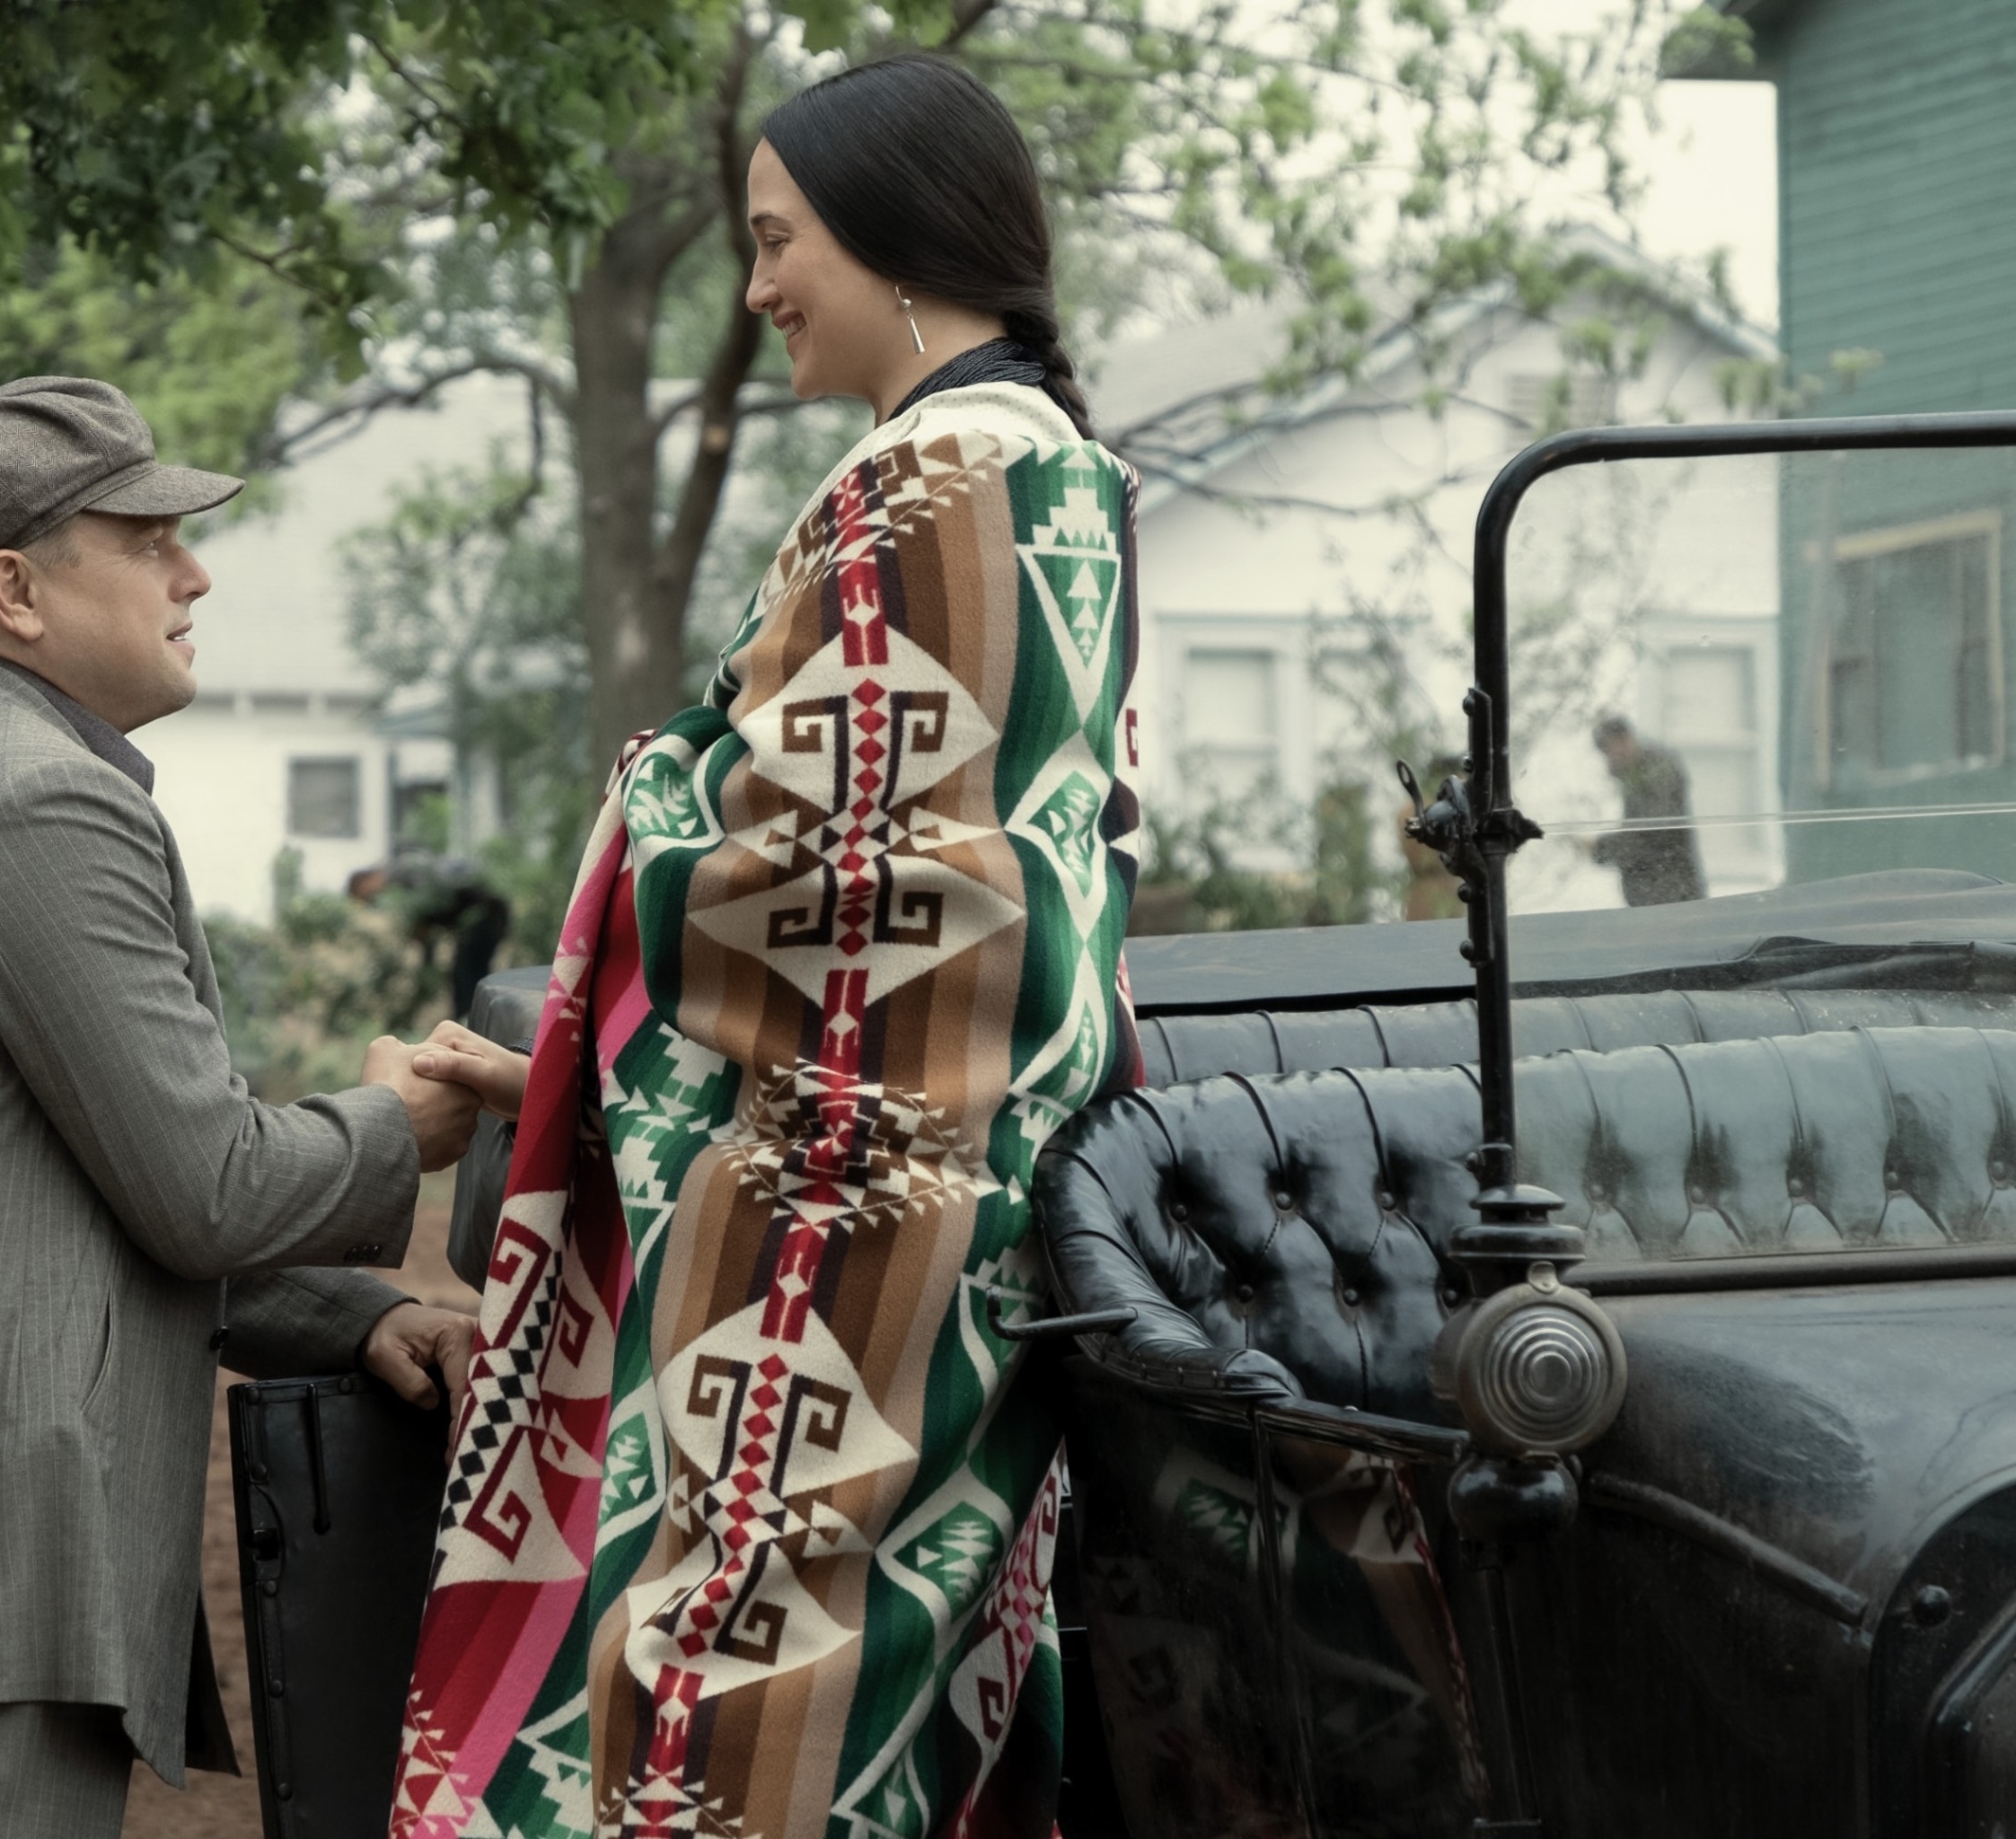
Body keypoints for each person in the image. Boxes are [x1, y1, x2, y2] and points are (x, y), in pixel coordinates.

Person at [390, 57, 1143, 1839]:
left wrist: (660, 769)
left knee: (718, 1719)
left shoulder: (927, 479)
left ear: (893, 244)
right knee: (878, 1698)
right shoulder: (1046, 468)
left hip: (835, 1236)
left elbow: (811, 901)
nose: (753, 287)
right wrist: (567, 1060)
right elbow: (939, 900)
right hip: (956, 1209)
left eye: (775, 238)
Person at [0, 377, 485, 1839]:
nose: (196, 571)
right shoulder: (31, 801)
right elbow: (209, 1187)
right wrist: (397, 1124)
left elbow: (91, 1200)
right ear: (17, 588)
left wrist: (355, 1318)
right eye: (149, 536)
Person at [348, 851, 515, 1019]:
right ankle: (474, 1024)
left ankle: (474, 1026)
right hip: (481, 917)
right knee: (467, 976)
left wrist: (420, 922)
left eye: (367, 896)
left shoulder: (403, 873)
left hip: (484, 915)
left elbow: (436, 899)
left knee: (468, 976)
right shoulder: (402, 883)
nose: (374, 900)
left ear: (365, 882)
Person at [1589, 715, 1707, 906]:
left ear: (1626, 739)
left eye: (1610, 749)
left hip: (1671, 896)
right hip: (1655, 896)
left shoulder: (1658, 771)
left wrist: (1599, 848)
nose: (1611, 759)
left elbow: (1652, 835)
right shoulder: (1634, 774)